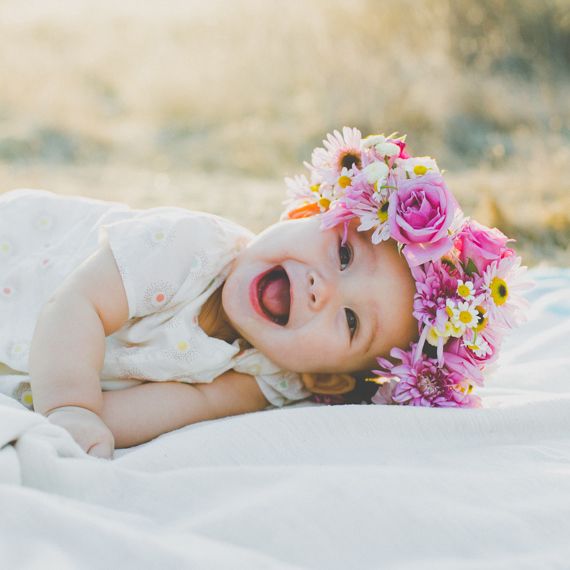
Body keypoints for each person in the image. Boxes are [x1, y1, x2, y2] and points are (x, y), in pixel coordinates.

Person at [0, 127, 529, 459]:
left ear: (326, 378)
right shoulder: (190, 247)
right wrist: (69, 405)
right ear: (303, 213)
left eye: (350, 322)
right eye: (343, 254)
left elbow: (186, 404)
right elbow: (77, 306)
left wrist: (88, 426)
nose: (324, 290)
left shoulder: (271, 382)